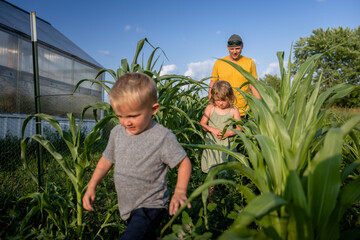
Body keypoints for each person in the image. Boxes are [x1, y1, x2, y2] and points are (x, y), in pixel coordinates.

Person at [82, 72, 192, 240]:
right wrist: (91, 186)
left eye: (133, 116)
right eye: (120, 116)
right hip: (128, 207)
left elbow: (183, 162)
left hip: (151, 206)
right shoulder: (117, 132)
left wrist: (180, 191)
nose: (127, 122)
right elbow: (106, 160)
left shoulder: (162, 136)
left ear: (153, 109)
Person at [200, 81, 242, 199]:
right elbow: (203, 124)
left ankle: (230, 196)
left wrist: (229, 133)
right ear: (213, 98)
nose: (220, 103)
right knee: (212, 173)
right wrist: (212, 129)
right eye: (217, 100)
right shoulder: (210, 108)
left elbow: (240, 128)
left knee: (228, 171)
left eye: (223, 100)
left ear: (230, 97)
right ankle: (210, 198)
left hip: (227, 146)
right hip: (213, 145)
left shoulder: (234, 110)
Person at [210, 34, 261, 117]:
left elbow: (254, 85)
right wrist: (211, 105)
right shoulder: (219, 63)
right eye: (232, 49)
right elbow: (212, 85)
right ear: (227, 47)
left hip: (244, 111)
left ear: (242, 47)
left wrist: (260, 106)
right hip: (224, 111)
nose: (234, 52)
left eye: (237, 49)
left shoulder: (249, 62)